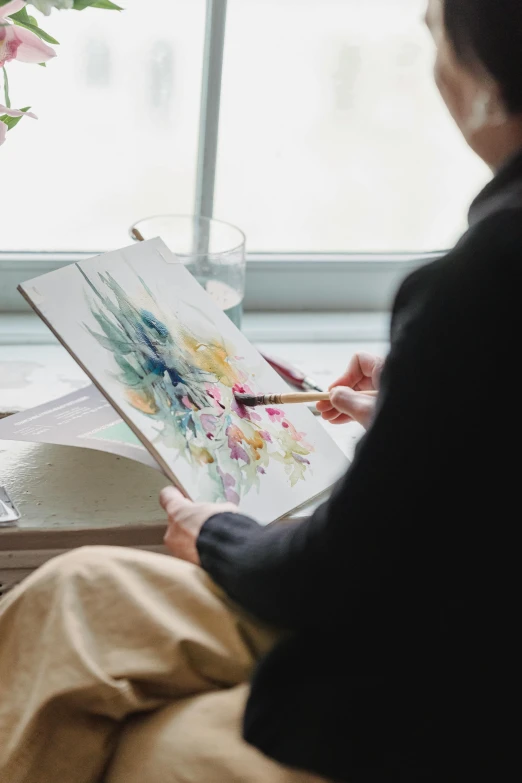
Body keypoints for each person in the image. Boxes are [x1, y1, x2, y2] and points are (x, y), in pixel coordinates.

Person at [1, 0, 521, 780]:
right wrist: (419, 410)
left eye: (438, 39)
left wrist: (217, 532)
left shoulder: (489, 274)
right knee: (76, 589)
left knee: (108, 676)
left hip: (445, 681)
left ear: (487, 76)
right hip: (449, 618)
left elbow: (333, 575)